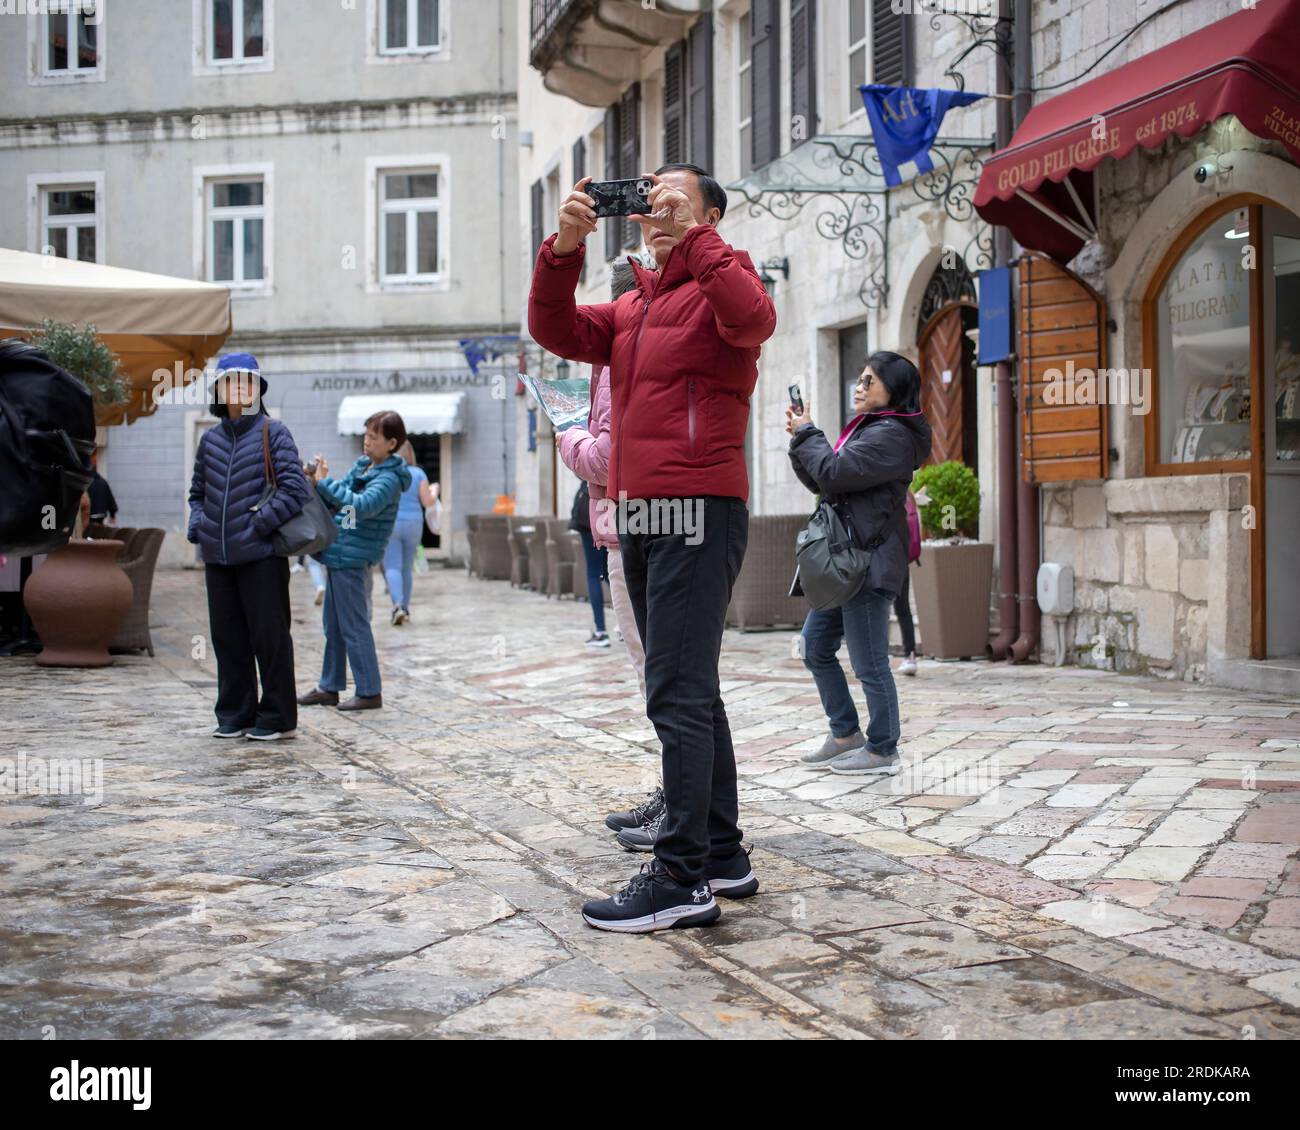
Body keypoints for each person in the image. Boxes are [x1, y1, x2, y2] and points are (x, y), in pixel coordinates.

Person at [530, 162, 776, 932]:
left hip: (698, 506)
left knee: (675, 689)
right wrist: (564, 246)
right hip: (638, 512)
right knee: (687, 687)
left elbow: (754, 318)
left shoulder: (725, 281)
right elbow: (555, 329)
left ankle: (681, 877)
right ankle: (724, 856)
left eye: (676, 199)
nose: (656, 210)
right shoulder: (633, 307)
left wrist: (698, 239)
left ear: (708, 213)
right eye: (649, 199)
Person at [787, 351, 932, 775]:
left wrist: (809, 433)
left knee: (869, 663)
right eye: (860, 378)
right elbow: (824, 480)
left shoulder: (893, 436)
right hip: (843, 562)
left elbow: (833, 473)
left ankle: (884, 748)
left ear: (894, 389)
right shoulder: (873, 430)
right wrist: (800, 440)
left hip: (868, 563)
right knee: (815, 647)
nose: (860, 386)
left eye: (870, 381)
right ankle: (846, 734)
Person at [556, 259, 661, 847]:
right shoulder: (610, 362)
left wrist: (567, 438)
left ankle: (684, 804)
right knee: (657, 672)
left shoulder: (624, 361)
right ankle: (676, 792)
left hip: (635, 525)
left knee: (660, 672)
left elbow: (607, 456)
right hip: (626, 525)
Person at [187, 353, 310, 741]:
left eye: (247, 380)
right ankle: (235, 713)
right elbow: (196, 494)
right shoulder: (209, 440)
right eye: (230, 380)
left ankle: (276, 716)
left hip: (261, 555)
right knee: (227, 638)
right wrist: (199, 526)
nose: (239, 386)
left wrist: (257, 525)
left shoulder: (274, 432)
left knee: (269, 636)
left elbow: (295, 489)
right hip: (218, 556)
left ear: (258, 389)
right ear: (219, 389)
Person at [297, 411, 411, 711]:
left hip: (354, 557)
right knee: (333, 625)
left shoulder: (389, 479)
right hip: (340, 552)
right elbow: (340, 494)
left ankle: (369, 690)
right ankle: (329, 686)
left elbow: (359, 505)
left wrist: (323, 483)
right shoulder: (364, 466)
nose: (367, 441)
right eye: (366, 435)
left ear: (391, 443)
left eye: (374, 437)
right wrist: (320, 477)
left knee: (355, 626)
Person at [382, 440, 435, 625]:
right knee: (406, 567)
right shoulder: (418, 473)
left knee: (392, 566)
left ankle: (397, 606)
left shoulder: (387, 473)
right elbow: (427, 502)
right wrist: (435, 491)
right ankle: (406, 607)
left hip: (391, 523)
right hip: (414, 523)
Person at [567, 481, 609, 647]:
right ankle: (629, 623)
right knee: (608, 573)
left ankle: (601, 631)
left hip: (591, 518)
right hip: (609, 515)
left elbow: (578, 465)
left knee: (594, 574)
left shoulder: (591, 462)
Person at [896, 490, 922, 676]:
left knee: (877, 608)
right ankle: (910, 655)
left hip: (887, 559)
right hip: (902, 559)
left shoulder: (890, 495)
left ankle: (876, 657)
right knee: (903, 608)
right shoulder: (908, 496)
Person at [87, 453, 117, 524]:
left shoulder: (86, 483)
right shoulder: (103, 482)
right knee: (99, 532)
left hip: (89, 514)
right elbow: (110, 498)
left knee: (89, 533)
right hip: (101, 513)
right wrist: (112, 514)